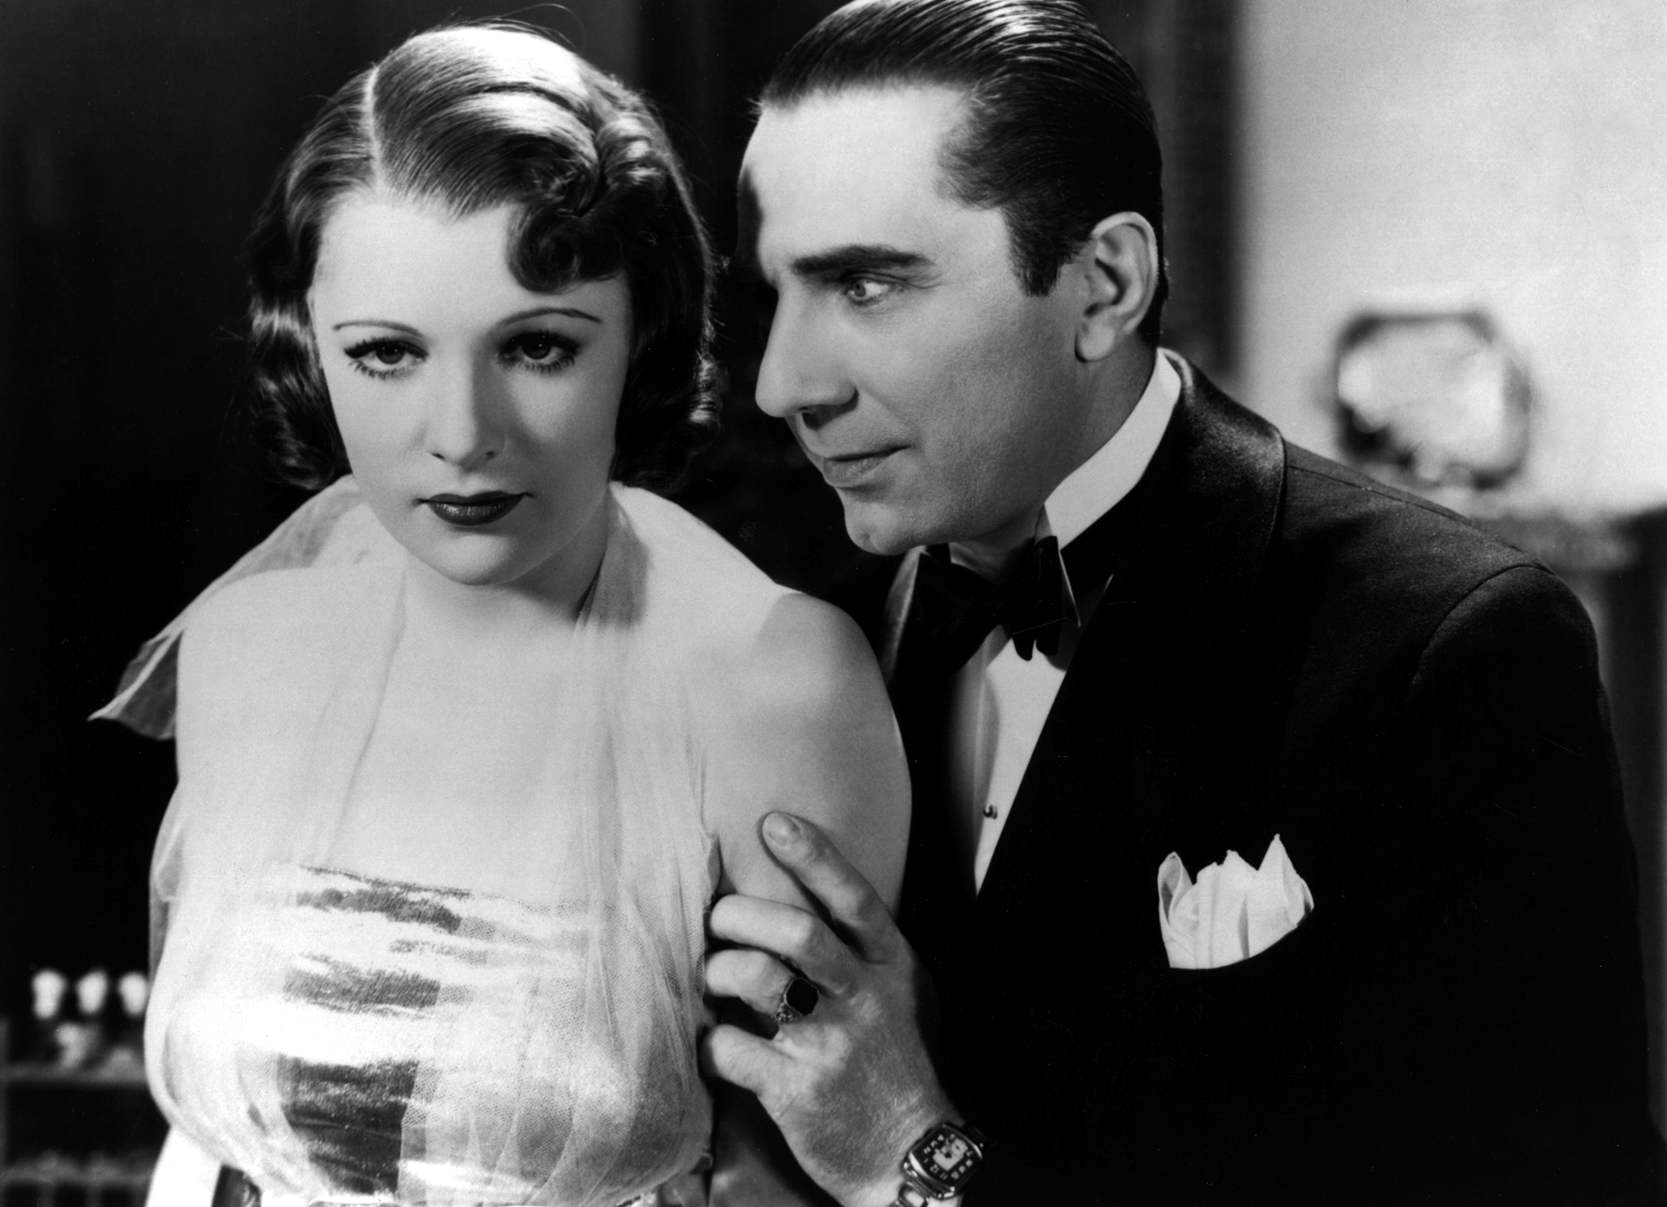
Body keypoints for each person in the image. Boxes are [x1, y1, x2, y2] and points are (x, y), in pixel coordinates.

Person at [700, 1, 1665, 1203]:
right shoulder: (805, 632)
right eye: (776, 297)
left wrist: (913, 1158)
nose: (784, 383)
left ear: (1103, 285)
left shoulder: (1448, 647)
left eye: (864, 284)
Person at [98, 23, 907, 1207]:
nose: (462, 433)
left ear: (639, 340)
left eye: (534, 346)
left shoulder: (771, 684)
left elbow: (828, 1169)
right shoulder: (242, 649)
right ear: (308, 352)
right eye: (386, 354)